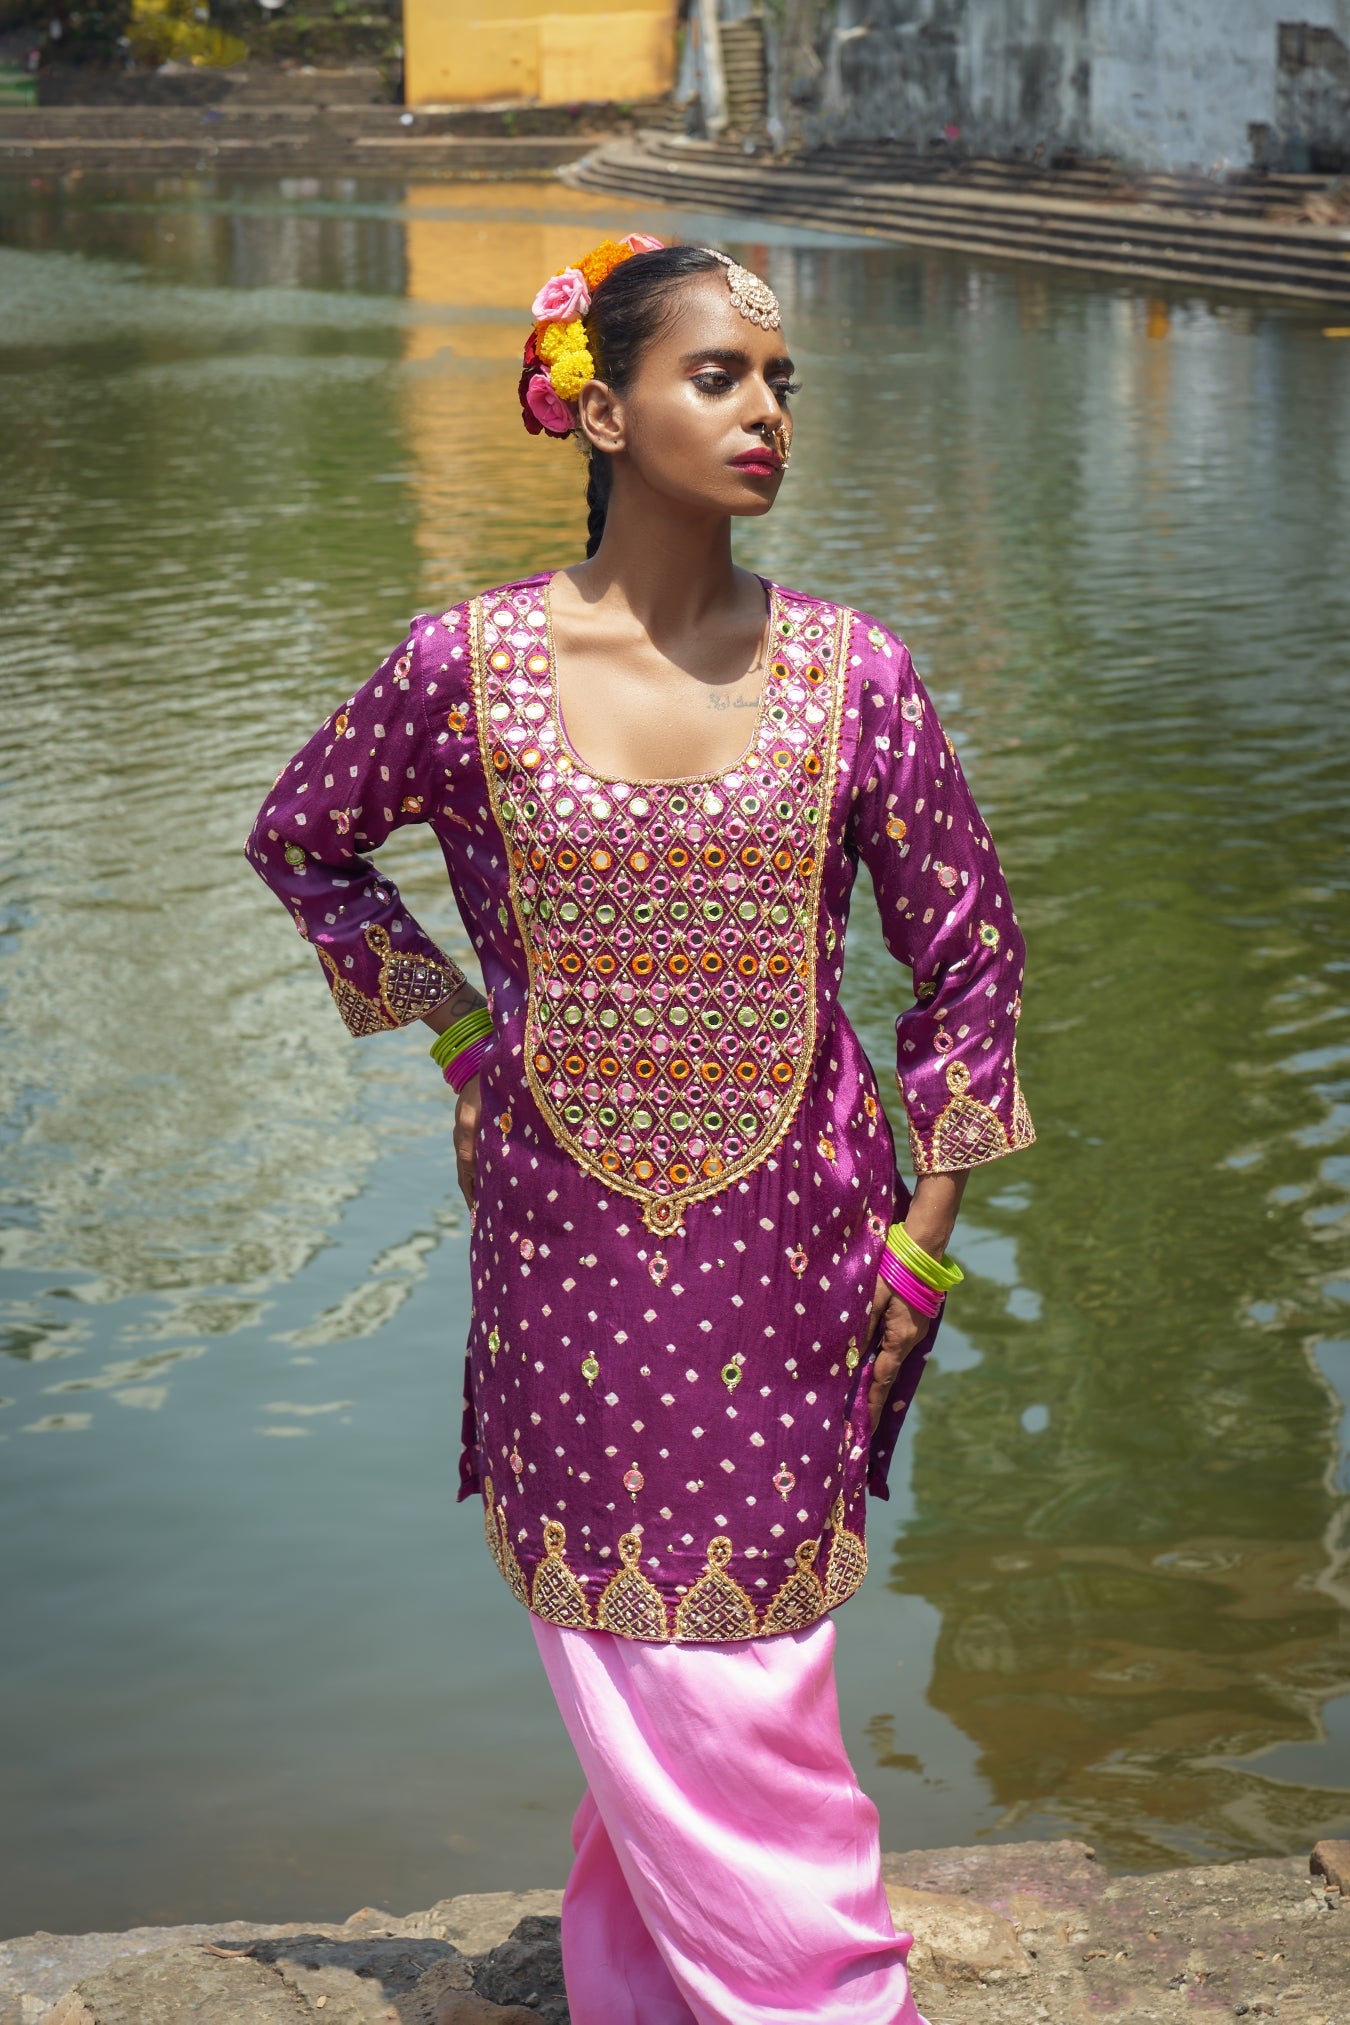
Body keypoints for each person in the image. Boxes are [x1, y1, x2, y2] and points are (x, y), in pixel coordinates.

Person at [246, 235, 1034, 2024]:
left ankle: (719, 1986)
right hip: (569, 1243)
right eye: (717, 375)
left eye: (779, 383)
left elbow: (970, 953)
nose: (765, 413)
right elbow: (303, 839)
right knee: (646, 1656)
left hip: (807, 1236)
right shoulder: (462, 668)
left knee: (749, 1662)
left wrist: (929, 1224)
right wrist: (459, 1030)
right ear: (600, 411)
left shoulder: (854, 674)